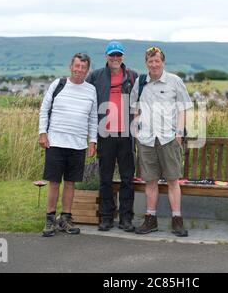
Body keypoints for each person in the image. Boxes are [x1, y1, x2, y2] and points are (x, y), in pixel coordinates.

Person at [130, 46, 193, 237]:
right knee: (150, 181)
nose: (154, 64)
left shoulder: (175, 81)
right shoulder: (140, 82)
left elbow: (183, 108)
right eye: (151, 61)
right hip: (147, 140)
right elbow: (135, 109)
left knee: (173, 180)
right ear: (146, 63)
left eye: (157, 61)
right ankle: (151, 219)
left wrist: (179, 133)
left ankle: (177, 220)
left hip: (168, 138)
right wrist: (137, 129)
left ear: (163, 62)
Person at [38, 53, 97, 237]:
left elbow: (93, 118)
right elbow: (44, 109)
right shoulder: (58, 84)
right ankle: (49, 220)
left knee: (70, 184)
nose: (79, 70)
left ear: (87, 70)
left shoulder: (91, 90)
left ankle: (65, 219)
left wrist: (92, 140)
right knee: (54, 183)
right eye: (77, 66)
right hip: (55, 142)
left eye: (83, 67)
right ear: (71, 66)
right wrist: (42, 132)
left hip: (78, 144)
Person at [86, 41, 138, 232]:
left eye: (118, 55)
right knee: (105, 178)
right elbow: (86, 99)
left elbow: (142, 102)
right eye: (112, 55)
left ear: (122, 57)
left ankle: (126, 218)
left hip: (126, 135)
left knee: (127, 179)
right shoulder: (96, 76)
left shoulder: (133, 76)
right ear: (106, 56)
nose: (115, 58)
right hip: (105, 133)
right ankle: (106, 217)